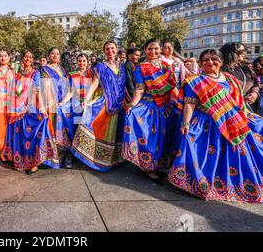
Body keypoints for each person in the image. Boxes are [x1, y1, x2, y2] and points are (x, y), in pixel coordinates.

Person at [169, 49, 263, 203]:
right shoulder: (195, 81)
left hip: (230, 122)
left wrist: (245, 116)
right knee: (206, 154)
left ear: (221, 62)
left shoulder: (230, 79)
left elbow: (237, 102)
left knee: (228, 153)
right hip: (205, 122)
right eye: (205, 60)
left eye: (214, 59)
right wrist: (186, 123)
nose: (210, 62)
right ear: (200, 63)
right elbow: (189, 104)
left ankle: (231, 183)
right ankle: (202, 183)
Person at [122, 38, 177, 185]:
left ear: (161, 50)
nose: (153, 52)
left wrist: (181, 101)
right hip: (150, 107)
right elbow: (139, 89)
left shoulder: (166, 66)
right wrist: (132, 106)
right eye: (149, 49)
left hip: (167, 107)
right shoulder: (141, 67)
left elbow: (173, 87)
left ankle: (161, 166)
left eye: (156, 49)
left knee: (165, 139)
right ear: (145, 51)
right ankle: (148, 167)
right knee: (151, 138)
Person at [70, 43, 127, 172]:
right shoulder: (100, 67)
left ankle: (115, 159)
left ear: (116, 49)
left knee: (116, 132)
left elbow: (126, 85)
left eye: (112, 48)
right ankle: (100, 159)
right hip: (107, 102)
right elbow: (95, 83)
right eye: (107, 49)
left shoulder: (122, 67)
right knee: (97, 125)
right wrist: (87, 99)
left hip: (121, 103)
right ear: (104, 51)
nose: (110, 51)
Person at [3, 50, 56, 174]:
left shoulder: (35, 73)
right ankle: (19, 160)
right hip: (16, 109)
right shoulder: (17, 73)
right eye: (25, 57)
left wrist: (42, 107)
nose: (28, 59)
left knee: (35, 130)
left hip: (30, 107)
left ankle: (35, 163)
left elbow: (37, 91)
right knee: (19, 135)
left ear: (33, 60)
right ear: (22, 59)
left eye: (30, 57)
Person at [40, 47, 74, 169]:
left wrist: (64, 101)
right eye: (52, 53)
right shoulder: (45, 69)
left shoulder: (63, 70)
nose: (55, 55)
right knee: (54, 127)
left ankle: (68, 152)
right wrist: (50, 102)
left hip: (65, 102)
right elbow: (46, 86)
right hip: (52, 102)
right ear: (48, 56)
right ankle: (55, 155)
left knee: (70, 124)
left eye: (57, 53)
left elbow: (68, 88)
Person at [220, 43, 260, 113]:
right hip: (229, 108)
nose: (244, 53)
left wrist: (255, 93)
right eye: (241, 51)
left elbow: (255, 82)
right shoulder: (219, 69)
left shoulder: (246, 67)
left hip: (249, 107)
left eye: (245, 50)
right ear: (231, 53)